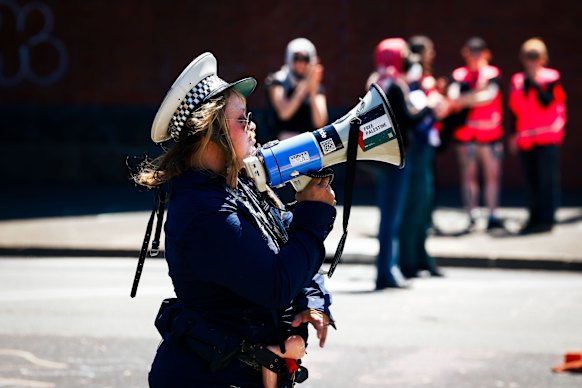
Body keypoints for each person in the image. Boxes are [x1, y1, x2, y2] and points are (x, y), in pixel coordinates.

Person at [134, 52, 337, 387]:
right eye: (242, 120)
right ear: (210, 134)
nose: (253, 126)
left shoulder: (236, 184)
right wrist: (314, 212)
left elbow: (289, 243)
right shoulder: (205, 213)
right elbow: (275, 283)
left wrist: (311, 298)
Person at [366, 38, 441, 289]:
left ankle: (385, 269)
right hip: (397, 158)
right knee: (392, 218)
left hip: (381, 158)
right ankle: (387, 270)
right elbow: (407, 120)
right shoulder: (395, 86)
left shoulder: (375, 82)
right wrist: (429, 107)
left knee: (387, 216)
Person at [398, 35, 445, 278]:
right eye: (429, 51)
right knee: (415, 204)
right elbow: (416, 111)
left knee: (424, 204)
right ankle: (409, 260)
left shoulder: (425, 79)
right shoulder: (413, 78)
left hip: (427, 146)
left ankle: (421, 258)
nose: (432, 54)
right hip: (416, 147)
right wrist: (432, 103)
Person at [445, 37, 504, 232]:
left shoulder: (492, 73)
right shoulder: (459, 74)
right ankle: (472, 214)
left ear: (486, 53)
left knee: (492, 176)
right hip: (466, 134)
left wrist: (465, 99)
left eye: (479, 51)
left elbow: (489, 97)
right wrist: (474, 95)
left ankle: (492, 215)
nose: (475, 55)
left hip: (490, 133)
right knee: (469, 176)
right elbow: (453, 97)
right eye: (471, 51)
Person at [508, 38, 566, 234]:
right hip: (526, 139)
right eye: (527, 56)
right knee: (531, 182)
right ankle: (533, 219)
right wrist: (513, 136)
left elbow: (547, 102)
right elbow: (514, 111)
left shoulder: (551, 78)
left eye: (535, 56)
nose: (531, 60)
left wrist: (534, 81)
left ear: (543, 58)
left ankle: (546, 220)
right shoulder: (517, 81)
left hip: (546, 139)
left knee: (546, 181)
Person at [265, 37, 328, 140]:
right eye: (296, 59)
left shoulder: (315, 86)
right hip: (281, 142)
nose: (301, 64)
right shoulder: (278, 81)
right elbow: (284, 113)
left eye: (305, 59)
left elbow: (320, 121)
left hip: (307, 142)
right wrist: (305, 85)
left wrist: (312, 90)